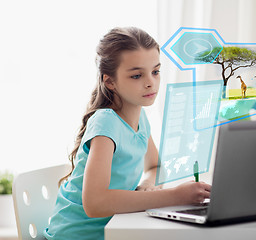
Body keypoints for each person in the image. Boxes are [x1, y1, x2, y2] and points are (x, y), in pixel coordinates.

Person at [44, 27, 211, 240]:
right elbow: (95, 203)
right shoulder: (106, 123)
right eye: (137, 75)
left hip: (114, 230)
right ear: (110, 81)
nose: (151, 82)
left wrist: (148, 186)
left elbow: (155, 166)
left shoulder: (140, 118)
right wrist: (174, 196)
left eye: (156, 71)